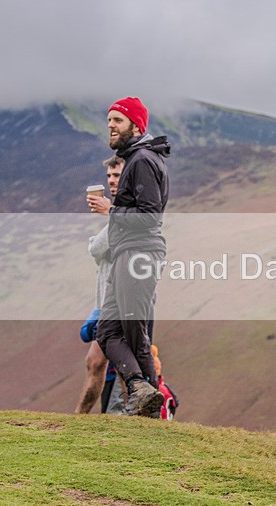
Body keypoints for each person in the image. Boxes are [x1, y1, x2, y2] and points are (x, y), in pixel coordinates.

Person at [96, 96, 171, 417]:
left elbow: (150, 216)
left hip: (139, 254)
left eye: (118, 120)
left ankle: (150, 413)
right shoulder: (139, 158)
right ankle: (140, 387)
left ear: (136, 125)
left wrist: (111, 210)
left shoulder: (141, 160)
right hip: (128, 253)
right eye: (110, 119)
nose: (111, 125)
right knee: (108, 331)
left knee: (134, 334)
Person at [75, 156, 126, 415]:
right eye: (109, 177)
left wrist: (110, 214)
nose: (111, 181)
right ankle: (79, 420)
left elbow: (97, 247)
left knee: (124, 364)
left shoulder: (127, 211)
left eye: (116, 175)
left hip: (121, 303)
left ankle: (137, 421)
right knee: (97, 362)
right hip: (107, 303)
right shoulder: (119, 213)